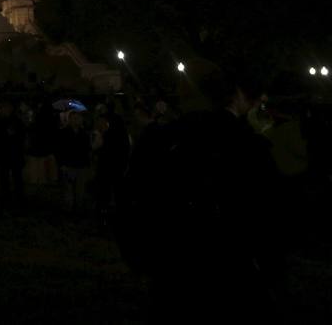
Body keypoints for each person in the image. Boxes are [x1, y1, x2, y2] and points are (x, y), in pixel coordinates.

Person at [116, 64, 284, 318]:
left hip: (176, 255)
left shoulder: (172, 134)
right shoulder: (246, 144)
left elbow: (137, 187)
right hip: (226, 258)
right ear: (239, 94)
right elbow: (265, 209)